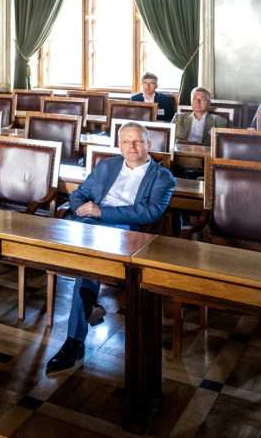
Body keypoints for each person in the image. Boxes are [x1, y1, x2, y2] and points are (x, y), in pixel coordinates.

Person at [46, 122, 176, 373]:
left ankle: (75, 341)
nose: (132, 146)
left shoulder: (162, 176)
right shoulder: (107, 165)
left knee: (85, 260)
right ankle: (87, 309)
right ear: (119, 145)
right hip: (89, 226)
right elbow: (78, 194)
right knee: (88, 253)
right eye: (126, 141)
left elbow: (150, 211)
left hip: (126, 232)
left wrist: (100, 211)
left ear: (148, 144)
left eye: (137, 141)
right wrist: (83, 209)